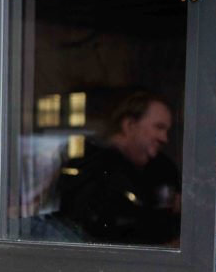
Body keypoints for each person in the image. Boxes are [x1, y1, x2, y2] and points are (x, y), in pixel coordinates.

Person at [55, 91, 181, 245]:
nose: (164, 138)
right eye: (158, 127)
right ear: (129, 125)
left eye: (167, 130)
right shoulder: (90, 167)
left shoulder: (162, 168)